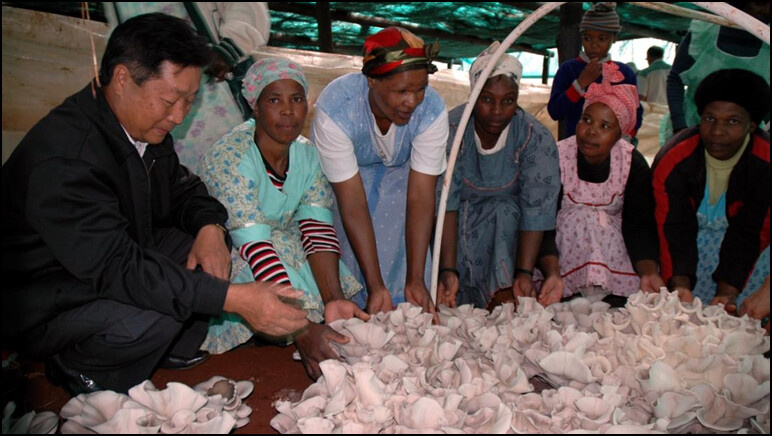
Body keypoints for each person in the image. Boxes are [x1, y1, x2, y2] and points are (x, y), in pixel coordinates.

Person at [0, 13, 308, 396]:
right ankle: (81, 368)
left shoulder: (141, 128)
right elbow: (119, 269)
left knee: (205, 245)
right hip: (46, 298)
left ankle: (169, 348)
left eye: (189, 101)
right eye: (169, 100)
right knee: (159, 306)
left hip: (110, 260)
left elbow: (183, 190)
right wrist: (235, 298)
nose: (178, 116)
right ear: (123, 78)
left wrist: (209, 227)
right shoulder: (67, 159)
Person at [198, 58, 368, 379]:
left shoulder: (307, 155)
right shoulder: (230, 159)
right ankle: (259, 341)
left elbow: (317, 230)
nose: (288, 111)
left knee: (310, 264)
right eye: (274, 100)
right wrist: (300, 328)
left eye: (297, 99)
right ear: (255, 107)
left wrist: (333, 299)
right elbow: (255, 247)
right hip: (237, 251)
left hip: (282, 247)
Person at [310, 27, 448, 319]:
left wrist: (416, 279)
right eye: (402, 91)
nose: (412, 101)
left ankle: (403, 293)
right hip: (347, 188)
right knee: (345, 230)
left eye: (420, 88)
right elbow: (352, 203)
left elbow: (422, 197)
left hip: (403, 181)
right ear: (371, 80)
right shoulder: (337, 109)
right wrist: (374, 284)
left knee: (396, 203)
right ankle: (362, 298)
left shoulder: (432, 110)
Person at [435, 42, 562, 310]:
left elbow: (537, 209)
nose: (496, 111)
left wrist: (524, 273)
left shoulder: (534, 138)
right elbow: (446, 202)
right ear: (473, 95)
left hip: (508, 236)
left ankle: (504, 295)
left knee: (503, 211)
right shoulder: (451, 131)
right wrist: (447, 268)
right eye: (486, 99)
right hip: (455, 232)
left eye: (508, 101)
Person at [542, 62, 664, 301]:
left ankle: (613, 295)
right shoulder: (557, 157)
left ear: (620, 134)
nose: (591, 131)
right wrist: (551, 271)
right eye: (586, 120)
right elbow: (543, 221)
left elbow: (639, 223)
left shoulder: (631, 163)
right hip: (561, 261)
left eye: (605, 126)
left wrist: (648, 271)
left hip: (613, 258)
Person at [653, 69, 770, 310]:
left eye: (733, 121)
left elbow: (752, 230)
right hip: (690, 248)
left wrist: (728, 292)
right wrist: (680, 285)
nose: (717, 132)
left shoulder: (765, 162)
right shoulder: (675, 159)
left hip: (747, 254)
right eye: (710, 118)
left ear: (752, 125)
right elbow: (673, 226)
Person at [666, 2, 769, 136]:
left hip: (748, 134)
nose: (766, 9)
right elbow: (675, 79)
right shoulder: (704, 29)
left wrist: (764, 129)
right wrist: (679, 126)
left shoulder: (768, 37)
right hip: (692, 125)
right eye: (761, 3)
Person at [547, 2, 643, 140]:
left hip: (613, 150)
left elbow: (635, 112)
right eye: (587, 38)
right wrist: (580, 84)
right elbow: (555, 111)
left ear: (614, 38)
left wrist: (625, 138)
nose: (594, 45)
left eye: (602, 39)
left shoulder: (625, 73)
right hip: (575, 149)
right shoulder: (568, 69)